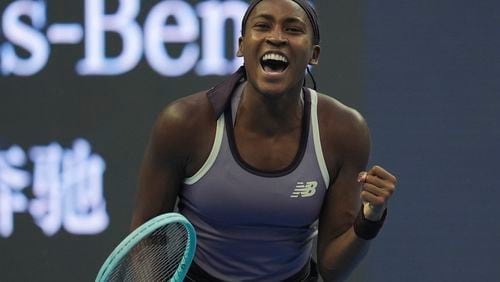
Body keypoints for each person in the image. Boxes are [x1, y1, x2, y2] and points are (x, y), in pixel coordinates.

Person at [130, 0, 397, 281]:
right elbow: (147, 241)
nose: (276, 37)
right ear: (241, 46)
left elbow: (333, 268)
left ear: (313, 54)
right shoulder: (184, 123)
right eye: (263, 26)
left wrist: (370, 218)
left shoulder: (344, 131)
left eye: (293, 29)